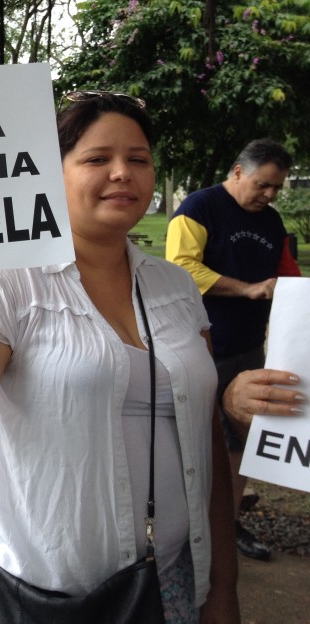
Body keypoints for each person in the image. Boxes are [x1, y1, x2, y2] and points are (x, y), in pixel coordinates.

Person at [0, 91, 239, 622]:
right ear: (51, 175)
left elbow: (205, 437)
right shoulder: (5, 280)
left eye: (139, 159)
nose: (123, 172)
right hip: (37, 588)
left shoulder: (177, 287)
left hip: (170, 575)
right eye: (97, 159)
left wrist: (222, 584)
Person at [166, 138, 300, 561]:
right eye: (263, 185)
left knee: (244, 435)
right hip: (199, 345)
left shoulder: (272, 222)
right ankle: (183, 524)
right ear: (238, 171)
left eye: (277, 188)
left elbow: (287, 276)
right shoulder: (198, 208)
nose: (270, 195)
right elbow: (180, 267)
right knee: (194, 437)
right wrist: (248, 289)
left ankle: (226, 520)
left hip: (249, 347)